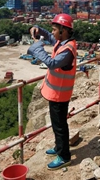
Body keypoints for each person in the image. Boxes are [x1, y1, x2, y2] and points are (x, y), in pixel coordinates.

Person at [27, 13, 77, 170]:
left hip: (60, 94)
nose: (53, 32)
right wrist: (39, 30)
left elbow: (51, 63)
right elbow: (49, 37)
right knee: (57, 124)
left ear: (63, 30)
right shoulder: (63, 42)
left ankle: (64, 156)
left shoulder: (68, 50)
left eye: (55, 29)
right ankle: (58, 147)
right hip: (56, 93)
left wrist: (37, 47)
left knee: (60, 125)